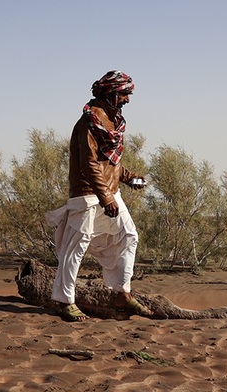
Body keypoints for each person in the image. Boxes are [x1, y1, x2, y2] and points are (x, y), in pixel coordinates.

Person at [46, 70, 152, 322]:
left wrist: (130, 178)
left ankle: (120, 294)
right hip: (87, 193)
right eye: (124, 94)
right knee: (76, 247)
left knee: (129, 236)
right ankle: (64, 300)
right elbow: (89, 164)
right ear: (110, 93)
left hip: (108, 191)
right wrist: (105, 198)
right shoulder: (89, 122)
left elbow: (110, 165)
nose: (127, 99)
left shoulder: (113, 121)